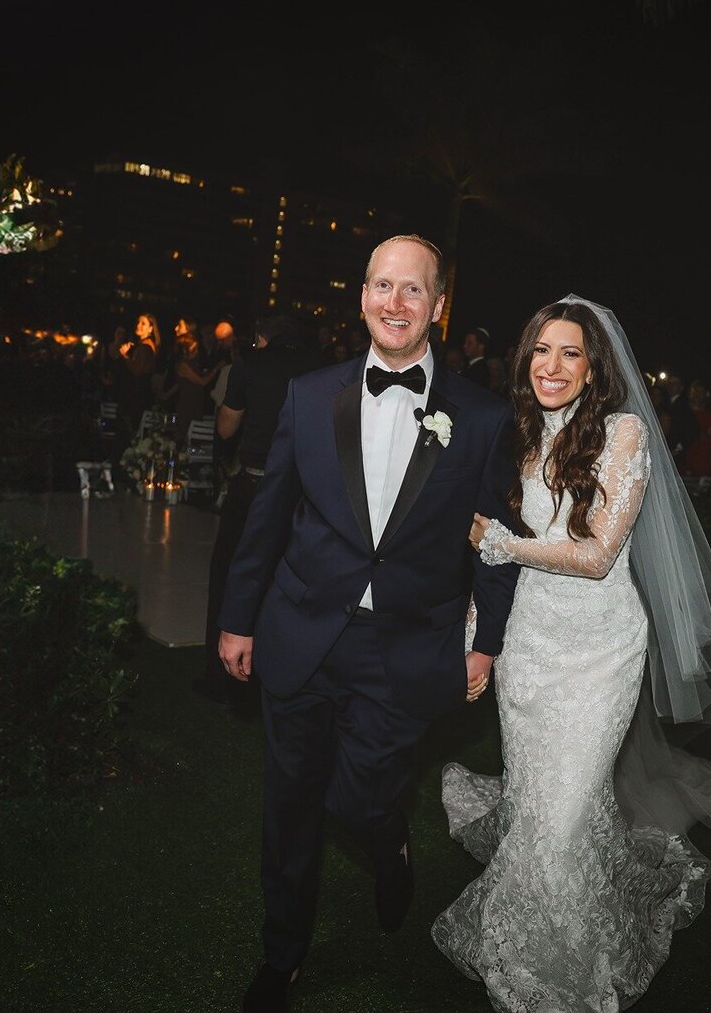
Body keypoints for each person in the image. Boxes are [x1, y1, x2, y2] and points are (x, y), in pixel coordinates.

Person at [216, 235, 520, 1012]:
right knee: (288, 808)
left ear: (439, 307)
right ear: (361, 296)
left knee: (359, 799)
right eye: (381, 286)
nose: (394, 302)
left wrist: (485, 642)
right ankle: (280, 957)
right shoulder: (310, 394)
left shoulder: (481, 416)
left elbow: (493, 538)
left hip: (408, 644)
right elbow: (269, 514)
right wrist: (238, 618)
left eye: (412, 290)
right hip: (302, 633)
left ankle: (389, 845)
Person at [434, 295, 711, 1012]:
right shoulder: (511, 431)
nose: (552, 366)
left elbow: (601, 551)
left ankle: (567, 962)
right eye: (541, 351)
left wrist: (501, 541)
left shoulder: (624, 431)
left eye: (569, 352)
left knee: (569, 803)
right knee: (537, 798)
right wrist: (476, 642)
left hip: (601, 647)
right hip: (529, 644)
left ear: (593, 366)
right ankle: (527, 941)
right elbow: (495, 565)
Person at [198, 310, 320, 696]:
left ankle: (223, 676)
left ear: (262, 336)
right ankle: (281, 673)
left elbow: (226, 426)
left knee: (231, 576)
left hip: (256, 487)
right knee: (289, 586)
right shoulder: (324, 367)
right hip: (307, 497)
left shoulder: (251, 362)